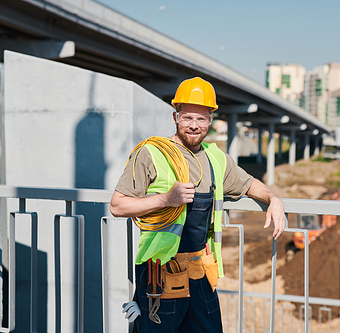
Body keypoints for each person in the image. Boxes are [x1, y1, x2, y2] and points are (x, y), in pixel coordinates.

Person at [110, 77, 285, 332]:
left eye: (201, 119)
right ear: (175, 117)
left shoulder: (216, 158)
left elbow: (249, 184)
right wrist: (166, 199)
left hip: (201, 271)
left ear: (211, 121)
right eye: (187, 118)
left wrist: (274, 199)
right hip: (160, 273)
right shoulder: (151, 153)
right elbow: (117, 206)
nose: (194, 126)